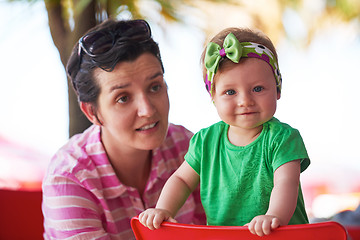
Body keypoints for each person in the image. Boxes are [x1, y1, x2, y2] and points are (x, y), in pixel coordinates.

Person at [41, 19, 206, 240]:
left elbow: (220, 226)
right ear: (93, 113)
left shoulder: (186, 146)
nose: (147, 110)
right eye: (123, 98)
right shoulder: (69, 177)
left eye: (155, 87)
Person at [139, 27, 311, 237]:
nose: (245, 101)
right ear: (213, 98)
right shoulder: (206, 140)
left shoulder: (282, 138)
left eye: (257, 89)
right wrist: (164, 209)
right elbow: (182, 180)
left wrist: (274, 215)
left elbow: (286, 182)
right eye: (230, 92)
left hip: (279, 235)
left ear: (277, 89)